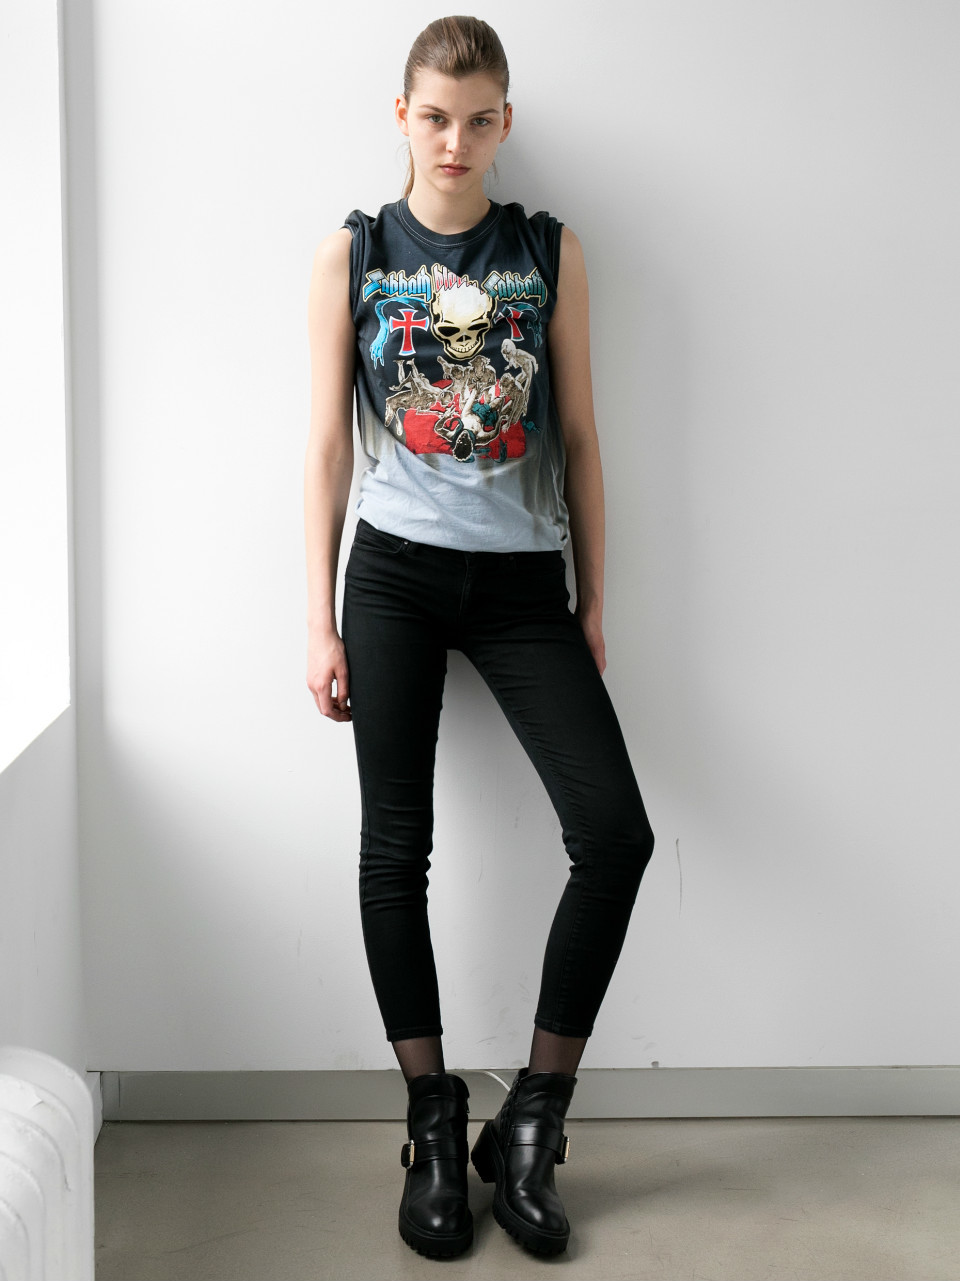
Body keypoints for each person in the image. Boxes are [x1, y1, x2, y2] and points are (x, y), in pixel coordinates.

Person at [304, 15, 654, 1260]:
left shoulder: (547, 250)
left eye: (479, 119)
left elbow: (584, 436)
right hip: (391, 579)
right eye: (435, 117)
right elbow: (327, 447)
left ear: (507, 123)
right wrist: (317, 618)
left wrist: (593, 598)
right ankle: (433, 1120)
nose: (455, 141)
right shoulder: (354, 252)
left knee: (615, 835)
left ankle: (535, 1123)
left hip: (519, 587)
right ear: (402, 118)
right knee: (394, 849)